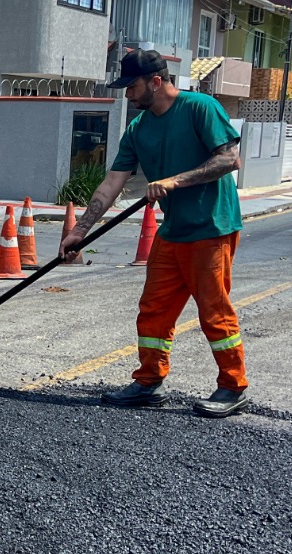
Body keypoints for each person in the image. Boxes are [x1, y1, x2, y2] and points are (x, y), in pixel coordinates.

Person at [60, 49, 247, 418]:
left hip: (211, 227)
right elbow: (112, 182)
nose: (128, 95)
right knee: (153, 310)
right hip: (173, 231)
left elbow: (229, 159)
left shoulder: (200, 108)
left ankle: (233, 385)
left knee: (214, 311)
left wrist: (175, 181)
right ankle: (149, 381)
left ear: (156, 82)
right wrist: (79, 231)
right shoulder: (138, 129)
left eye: (132, 87)